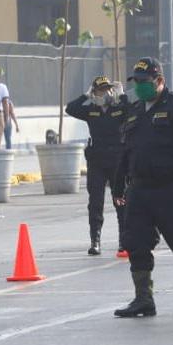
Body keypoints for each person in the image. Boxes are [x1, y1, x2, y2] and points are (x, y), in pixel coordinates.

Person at [111, 58, 173, 317]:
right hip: (139, 189)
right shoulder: (135, 111)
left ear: (159, 81)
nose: (141, 87)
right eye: (138, 82)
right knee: (135, 242)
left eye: (146, 82)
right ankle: (143, 298)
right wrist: (118, 185)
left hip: (170, 188)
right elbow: (126, 150)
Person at [66, 76, 130, 255]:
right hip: (97, 161)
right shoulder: (90, 109)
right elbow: (70, 109)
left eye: (108, 89)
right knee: (95, 202)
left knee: (121, 200)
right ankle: (95, 241)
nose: (106, 93)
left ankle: (123, 240)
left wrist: (122, 95)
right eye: (101, 90)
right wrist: (85, 96)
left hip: (117, 160)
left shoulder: (118, 107)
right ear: (95, 92)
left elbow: (133, 111)